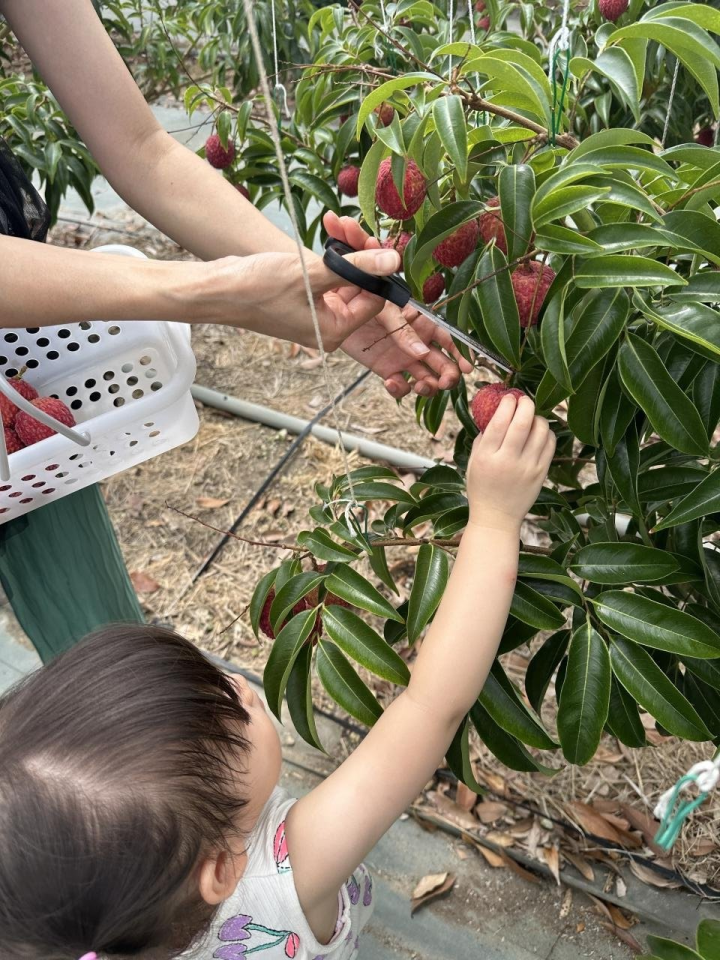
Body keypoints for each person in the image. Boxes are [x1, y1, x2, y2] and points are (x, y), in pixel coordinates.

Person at [0, 393, 555, 960]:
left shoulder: (67, 934)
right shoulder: (290, 871)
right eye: (231, 719)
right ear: (219, 869)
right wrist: (494, 519)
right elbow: (432, 705)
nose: (241, 687)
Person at [0, 0, 471, 660]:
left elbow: (143, 148)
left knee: (101, 652)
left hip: (15, 387)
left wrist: (315, 285)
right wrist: (211, 292)